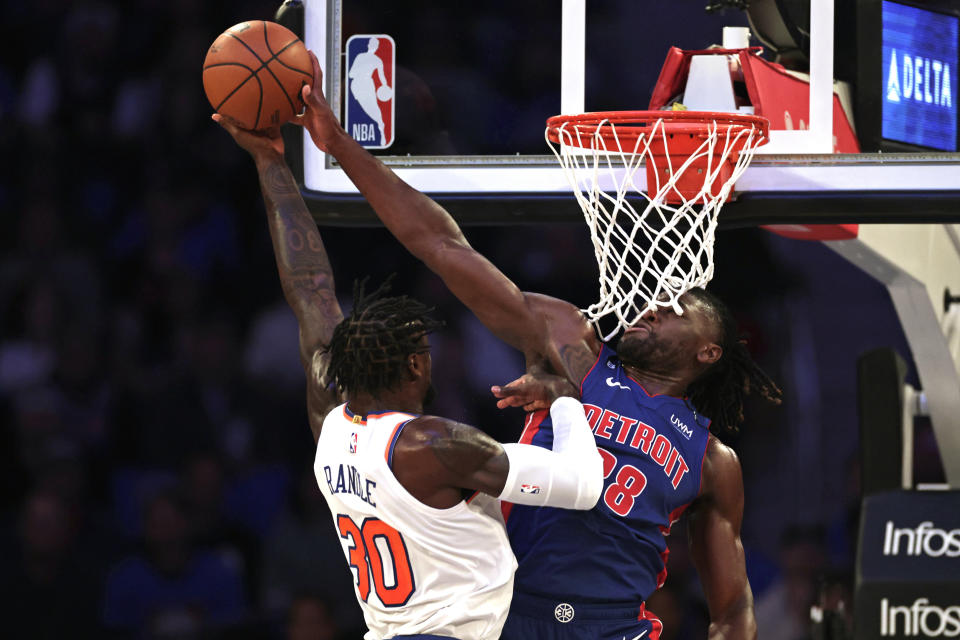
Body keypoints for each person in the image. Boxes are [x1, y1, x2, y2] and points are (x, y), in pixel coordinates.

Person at [294, 49, 783, 640]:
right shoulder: (574, 350)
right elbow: (441, 245)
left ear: (710, 351)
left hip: (613, 628)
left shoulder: (712, 461)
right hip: (508, 614)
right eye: (657, 297)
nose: (655, 303)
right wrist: (339, 145)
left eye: (679, 306)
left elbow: (732, 610)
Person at [212, 97, 604, 639]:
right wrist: (563, 398)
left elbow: (310, 288)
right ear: (417, 366)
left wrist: (268, 161)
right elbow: (584, 487)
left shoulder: (331, 421)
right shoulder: (435, 443)